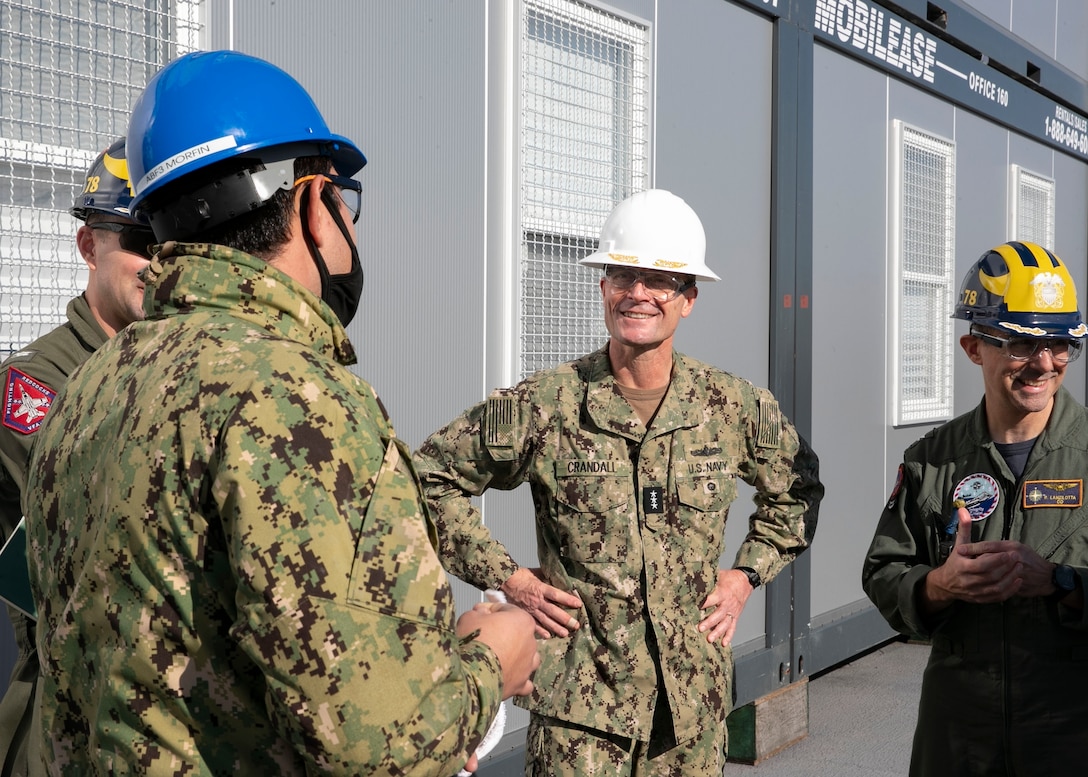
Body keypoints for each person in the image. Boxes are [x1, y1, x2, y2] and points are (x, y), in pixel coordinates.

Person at [23, 50, 539, 776]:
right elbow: (378, 749)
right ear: (310, 202)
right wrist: (493, 660)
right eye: (342, 199)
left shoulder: (87, 389)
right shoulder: (292, 397)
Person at [414, 189, 823, 776]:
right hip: (581, 719)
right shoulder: (549, 403)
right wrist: (513, 581)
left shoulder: (732, 407)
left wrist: (743, 577)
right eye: (623, 274)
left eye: (659, 279)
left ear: (688, 299)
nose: (638, 292)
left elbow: (798, 492)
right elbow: (430, 480)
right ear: (603, 288)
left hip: (691, 715)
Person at [863, 240, 1088, 776]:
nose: (1043, 363)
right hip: (959, 737)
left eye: (1060, 344)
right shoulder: (933, 460)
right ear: (973, 348)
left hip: (1072, 733)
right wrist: (940, 585)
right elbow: (884, 573)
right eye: (1019, 343)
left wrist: (1061, 583)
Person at [0, 137, 152, 777]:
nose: (160, 263)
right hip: (73, 726)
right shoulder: (36, 385)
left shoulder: (176, 365)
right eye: (140, 242)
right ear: (91, 247)